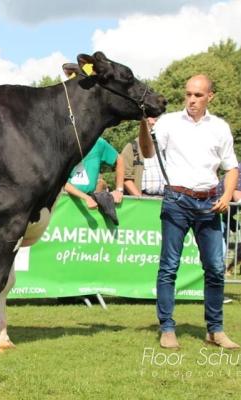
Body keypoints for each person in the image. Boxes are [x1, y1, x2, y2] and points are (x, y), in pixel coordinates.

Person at [139, 74, 239, 350]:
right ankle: (167, 328)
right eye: (188, 94)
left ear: (210, 97)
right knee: (169, 267)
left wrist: (228, 195)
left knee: (216, 269)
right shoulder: (169, 122)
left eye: (198, 95)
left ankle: (215, 330)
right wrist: (143, 127)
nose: (192, 100)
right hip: (177, 201)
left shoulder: (220, 127)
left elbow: (231, 167)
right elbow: (147, 152)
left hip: (209, 203)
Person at [64, 137, 125, 210]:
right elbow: (59, 182)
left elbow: (119, 159)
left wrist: (119, 190)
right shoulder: (62, 142)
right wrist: (86, 198)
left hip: (90, 204)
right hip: (64, 202)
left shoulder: (98, 143)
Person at [120, 119, 166, 196]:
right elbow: (126, 178)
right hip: (143, 198)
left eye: (156, 120)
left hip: (167, 200)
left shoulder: (167, 146)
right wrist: (140, 199)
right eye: (148, 122)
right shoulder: (132, 146)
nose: (152, 123)